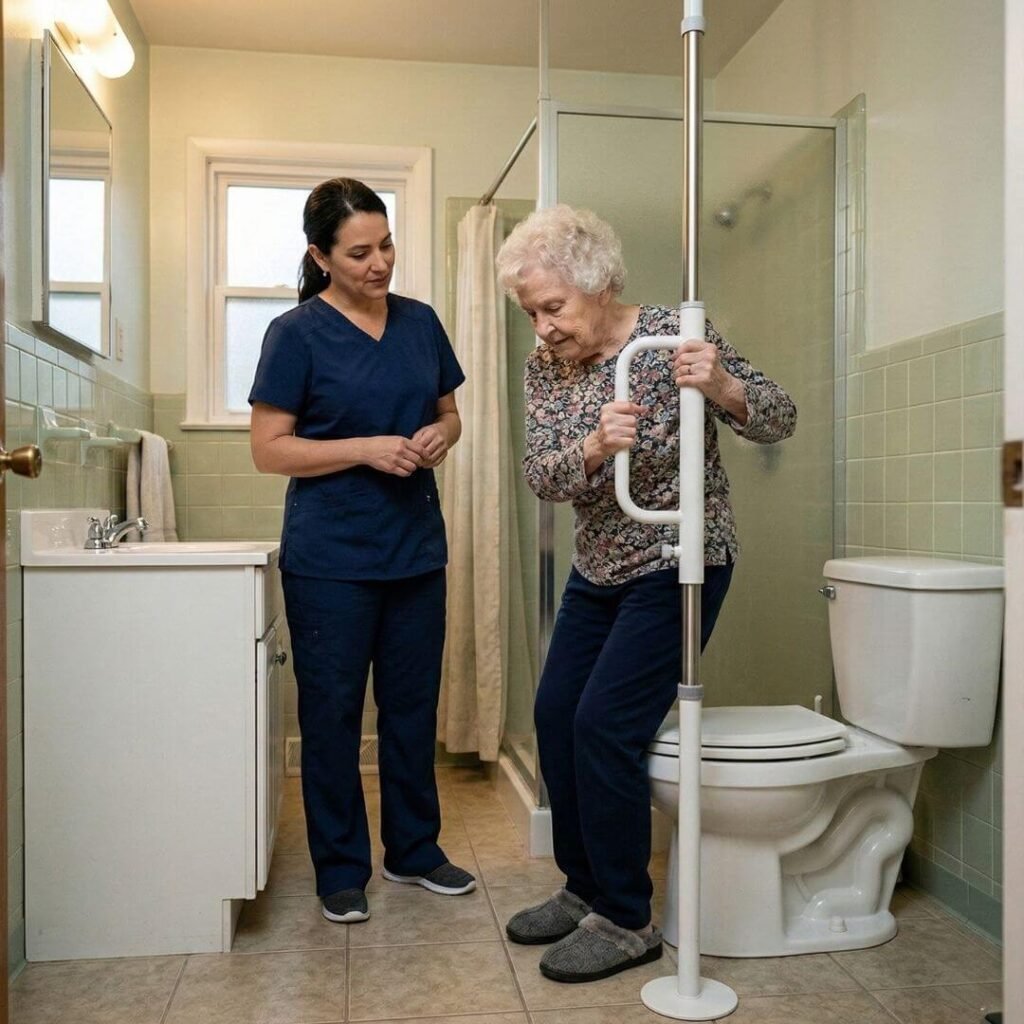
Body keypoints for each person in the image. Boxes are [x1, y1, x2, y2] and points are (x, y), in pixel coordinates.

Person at [494, 205, 797, 983]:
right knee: (556, 713)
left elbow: (779, 418)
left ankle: (626, 917)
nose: (543, 329)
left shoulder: (673, 336)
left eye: (553, 307)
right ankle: (584, 886)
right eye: (531, 314)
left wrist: (723, 385)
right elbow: (541, 475)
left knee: (604, 725)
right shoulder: (546, 368)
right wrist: (595, 448)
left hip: (679, 560)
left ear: (598, 284)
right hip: (598, 566)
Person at [248, 177, 475, 925]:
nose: (379, 263)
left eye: (386, 245)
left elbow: (450, 413)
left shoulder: (420, 322)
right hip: (330, 561)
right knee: (334, 716)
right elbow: (269, 450)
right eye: (358, 252)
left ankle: (414, 850)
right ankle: (341, 869)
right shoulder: (295, 334)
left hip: (415, 552)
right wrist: (366, 448)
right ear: (320, 256)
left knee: (410, 709)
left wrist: (441, 435)